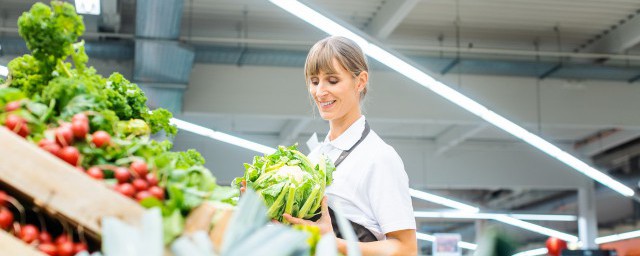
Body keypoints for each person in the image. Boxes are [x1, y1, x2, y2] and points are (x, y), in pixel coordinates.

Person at [281, 35, 417, 255]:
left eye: (332, 80)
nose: (320, 91)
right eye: (314, 81)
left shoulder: (379, 158)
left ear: (360, 81)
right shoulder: (314, 158)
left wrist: (334, 243)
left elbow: (407, 249)